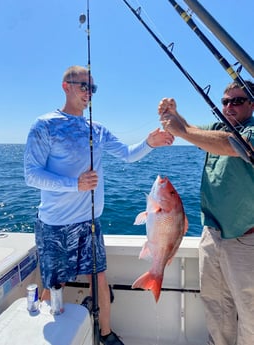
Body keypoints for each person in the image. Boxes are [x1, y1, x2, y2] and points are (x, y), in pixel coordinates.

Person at [24, 65, 174, 345]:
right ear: (65, 86)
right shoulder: (44, 125)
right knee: (54, 283)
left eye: (92, 88)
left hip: (90, 222)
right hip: (55, 223)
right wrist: (75, 184)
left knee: (99, 277)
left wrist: (149, 143)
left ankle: (106, 334)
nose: (89, 93)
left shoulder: (97, 129)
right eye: (83, 86)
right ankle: (42, 333)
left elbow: (128, 155)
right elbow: (31, 175)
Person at [158, 80, 254, 345]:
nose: (229, 106)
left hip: (246, 240)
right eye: (225, 101)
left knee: (251, 314)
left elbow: (230, 144)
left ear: (252, 104)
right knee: (216, 307)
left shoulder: (251, 132)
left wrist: (183, 130)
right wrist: (173, 114)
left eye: (237, 101)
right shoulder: (217, 129)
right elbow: (199, 134)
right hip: (212, 236)